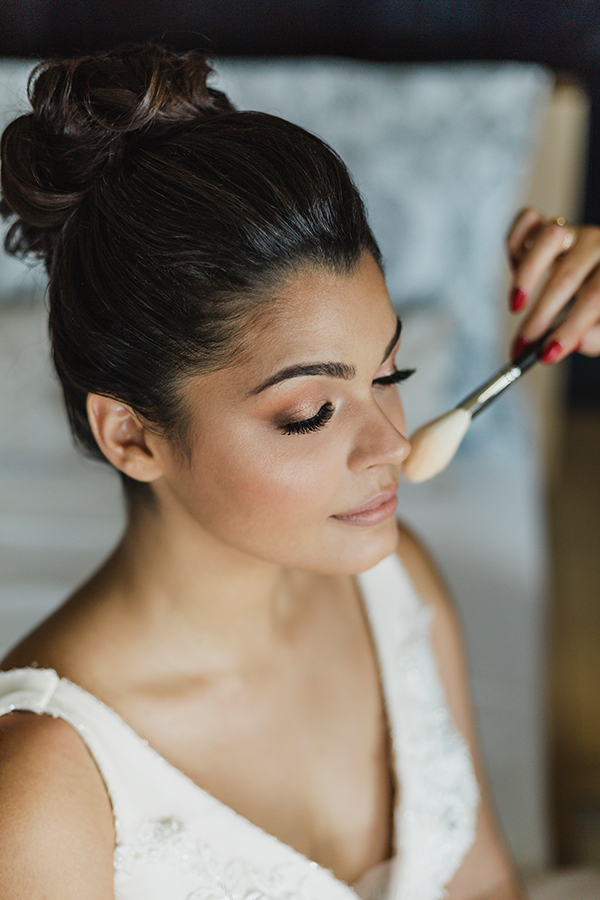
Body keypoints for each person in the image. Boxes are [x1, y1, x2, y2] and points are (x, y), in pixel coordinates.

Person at [0, 43, 598, 900]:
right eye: (309, 413)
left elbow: (482, 886)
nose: (391, 443)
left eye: (389, 375)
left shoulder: (399, 588)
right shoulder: (41, 795)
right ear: (132, 435)